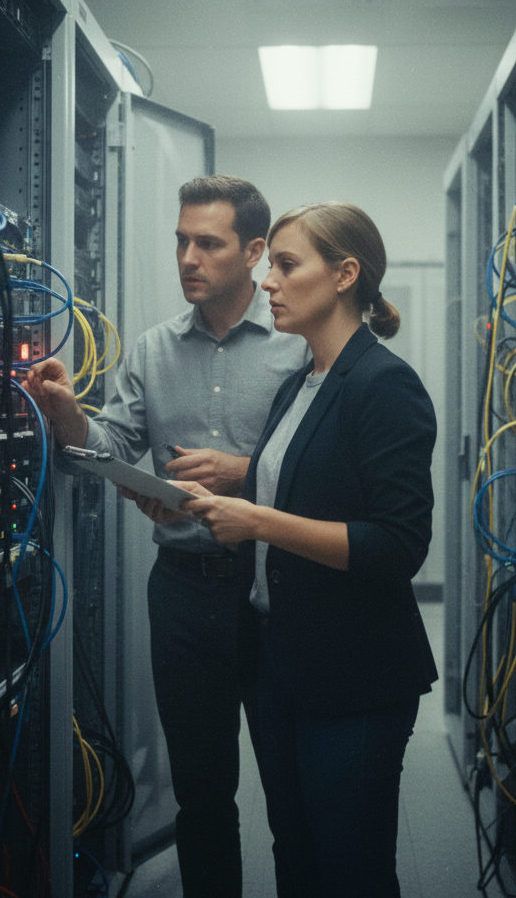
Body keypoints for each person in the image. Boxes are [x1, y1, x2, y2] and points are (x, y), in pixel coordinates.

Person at [23, 174, 309, 898]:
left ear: (251, 253)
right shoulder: (152, 350)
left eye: (207, 244)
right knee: (201, 796)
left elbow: (325, 466)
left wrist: (243, 473)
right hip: (182, 596)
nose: (188, 257)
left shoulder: (298, 346)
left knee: (293, 794)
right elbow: (112, 443)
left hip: (276, 594)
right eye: (182, 241)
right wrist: (65, 415)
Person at [179, 201, 438, 898]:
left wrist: (257, 520)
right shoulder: (303, 384)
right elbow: (302, 489)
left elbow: (398, 544)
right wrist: (208, 497)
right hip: (281, 665)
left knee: (350, 870)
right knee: (296, 855)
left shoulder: (385, 385)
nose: (269, 282)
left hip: (354, 675)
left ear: (345, 274)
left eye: (287, 265)